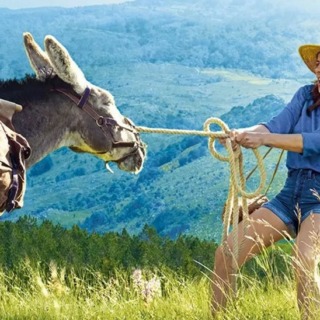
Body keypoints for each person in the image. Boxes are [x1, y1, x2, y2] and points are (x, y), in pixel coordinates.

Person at [212, 45, 320, 319]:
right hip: (291, 190)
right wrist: (241, 134)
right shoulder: (305, 95)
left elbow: (313, 143)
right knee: (226, 253)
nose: (318, 68)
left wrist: (263, 139)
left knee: (304, 259)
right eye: (317, 63)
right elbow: (275, 125)